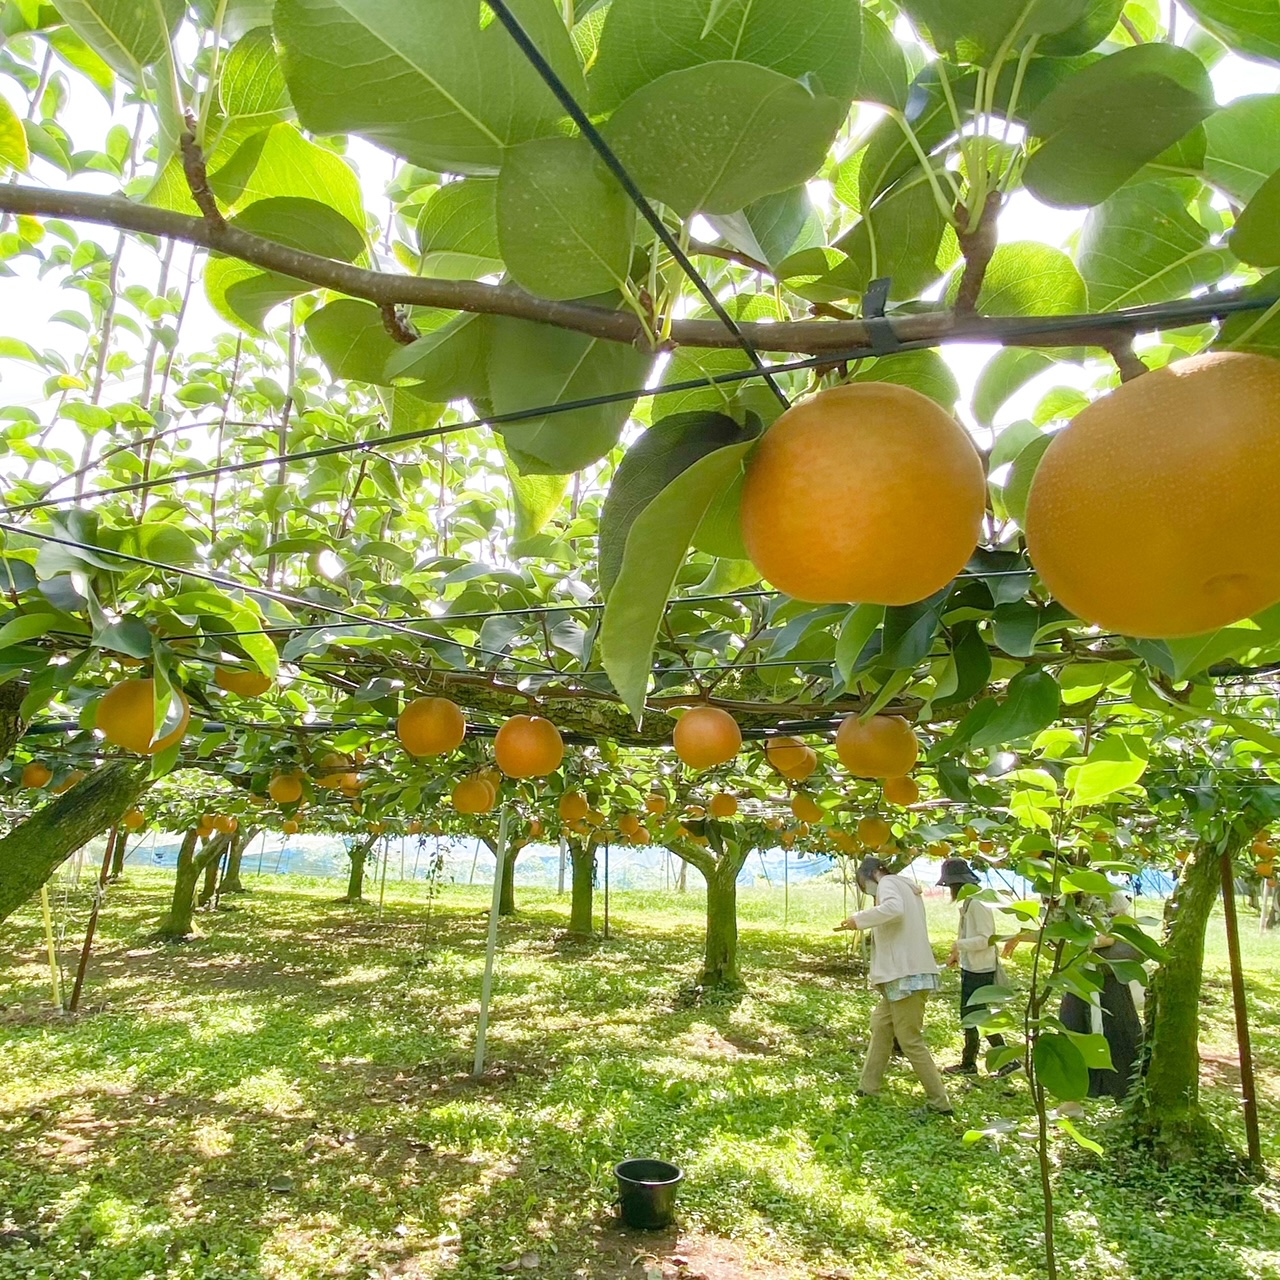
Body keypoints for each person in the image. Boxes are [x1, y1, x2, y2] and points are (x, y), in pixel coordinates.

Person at [836, 855, 953, 1116]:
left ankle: (939, 1102)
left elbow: (893, 909)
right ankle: (869, 1086)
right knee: (881, 1026)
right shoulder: (905, 886)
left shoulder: (888, 883)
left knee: (909, 1038)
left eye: (863, 884)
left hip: (906, 974)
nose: (867, 890)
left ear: (871, 874)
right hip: (904, 973)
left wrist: (860, 918)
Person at [1058, 885, 1144, 1101]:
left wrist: (1084, 942)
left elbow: (1115, 934)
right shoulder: (1061, 897)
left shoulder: (1107, 894)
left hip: (1109, 973)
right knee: (1074, 1024)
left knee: (1118, 1027)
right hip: (1081, 972)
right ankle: (1080, 1089)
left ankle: (1127, 1088)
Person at [937, 857, 1021, 1078]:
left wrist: (959, 945)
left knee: (976, 1015)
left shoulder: (978, 903)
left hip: (981, 968)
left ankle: (994, 1061)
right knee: (974, 1015)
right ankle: (975, 1061)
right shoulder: (970, 902)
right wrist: (957, 952)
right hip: (972, 965)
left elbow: (986, 939)